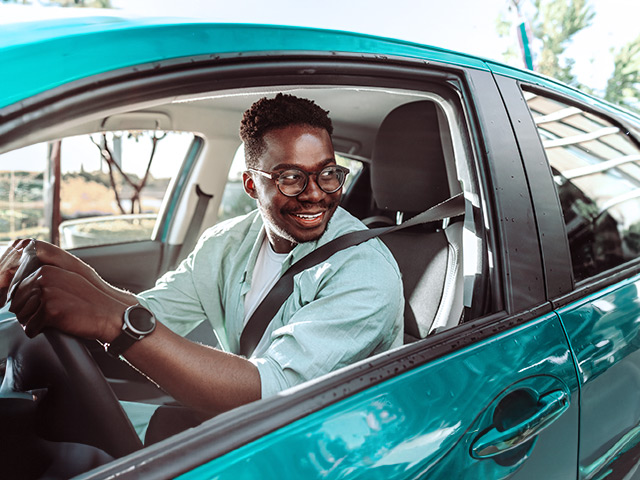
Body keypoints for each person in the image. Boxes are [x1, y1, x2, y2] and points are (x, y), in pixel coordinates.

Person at [1, 93, 404, 426]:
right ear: (251, 184)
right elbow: (154, 313)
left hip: (324, 440)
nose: (316, 194)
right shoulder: (226, 243)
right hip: (249, 423)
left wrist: (110, 318)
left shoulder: (364, 271)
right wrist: (69, 270)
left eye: (328, 173)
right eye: (290, 177)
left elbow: (271, 391)